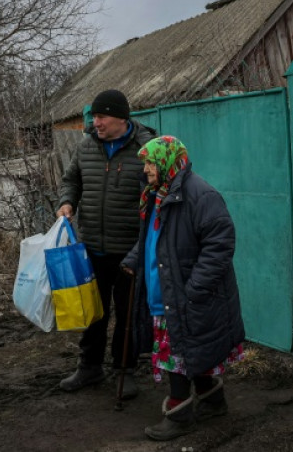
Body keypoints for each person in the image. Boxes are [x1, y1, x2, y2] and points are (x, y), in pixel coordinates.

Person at [121, 135, 245, 441]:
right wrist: (134, 259)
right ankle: (214, 402)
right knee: (192, 350)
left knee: (176, 354)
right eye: (146, 163)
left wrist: (194, 288)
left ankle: (179, 416)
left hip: (183, 293)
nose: (146, 169)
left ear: (167, 161)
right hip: (166, 290)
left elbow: (220, 244)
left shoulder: (199, 195)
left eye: (151, 162)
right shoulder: (157, 193)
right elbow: (153, 237)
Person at [56, 89, 156, 398]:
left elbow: (159, 188)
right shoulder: (87, 147)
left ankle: (125, 370)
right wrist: (67, 202)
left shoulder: (145, 148)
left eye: (101, 117)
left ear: (120, 118)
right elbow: (71, 179)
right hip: (93, 247)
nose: (95, 122)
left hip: (129, 250)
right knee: (93, 311)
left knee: (128, 313)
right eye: (95, 117)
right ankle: (89, 367)